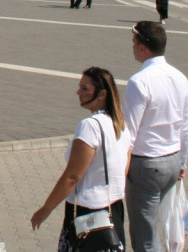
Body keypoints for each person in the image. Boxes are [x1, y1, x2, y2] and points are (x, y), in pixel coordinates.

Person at [31, 67, 130, 252]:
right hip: (114, 208)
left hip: (88, 211)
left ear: (102, 94)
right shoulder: (121, 124)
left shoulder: (90, 127)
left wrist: (46, 209)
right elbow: (125, 165)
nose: (78, 92)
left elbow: (72, 177)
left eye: (85, 88)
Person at [124, 21, 188, 252]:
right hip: (172, 159)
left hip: (147, 164)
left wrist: (121, 168)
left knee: (144, 235)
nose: (132, 48)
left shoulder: (139, 81)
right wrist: (182, 161)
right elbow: (186, 126)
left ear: (143, 48)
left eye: (134, 43)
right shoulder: (180, 77)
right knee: (155, 228)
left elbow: (129, 133)